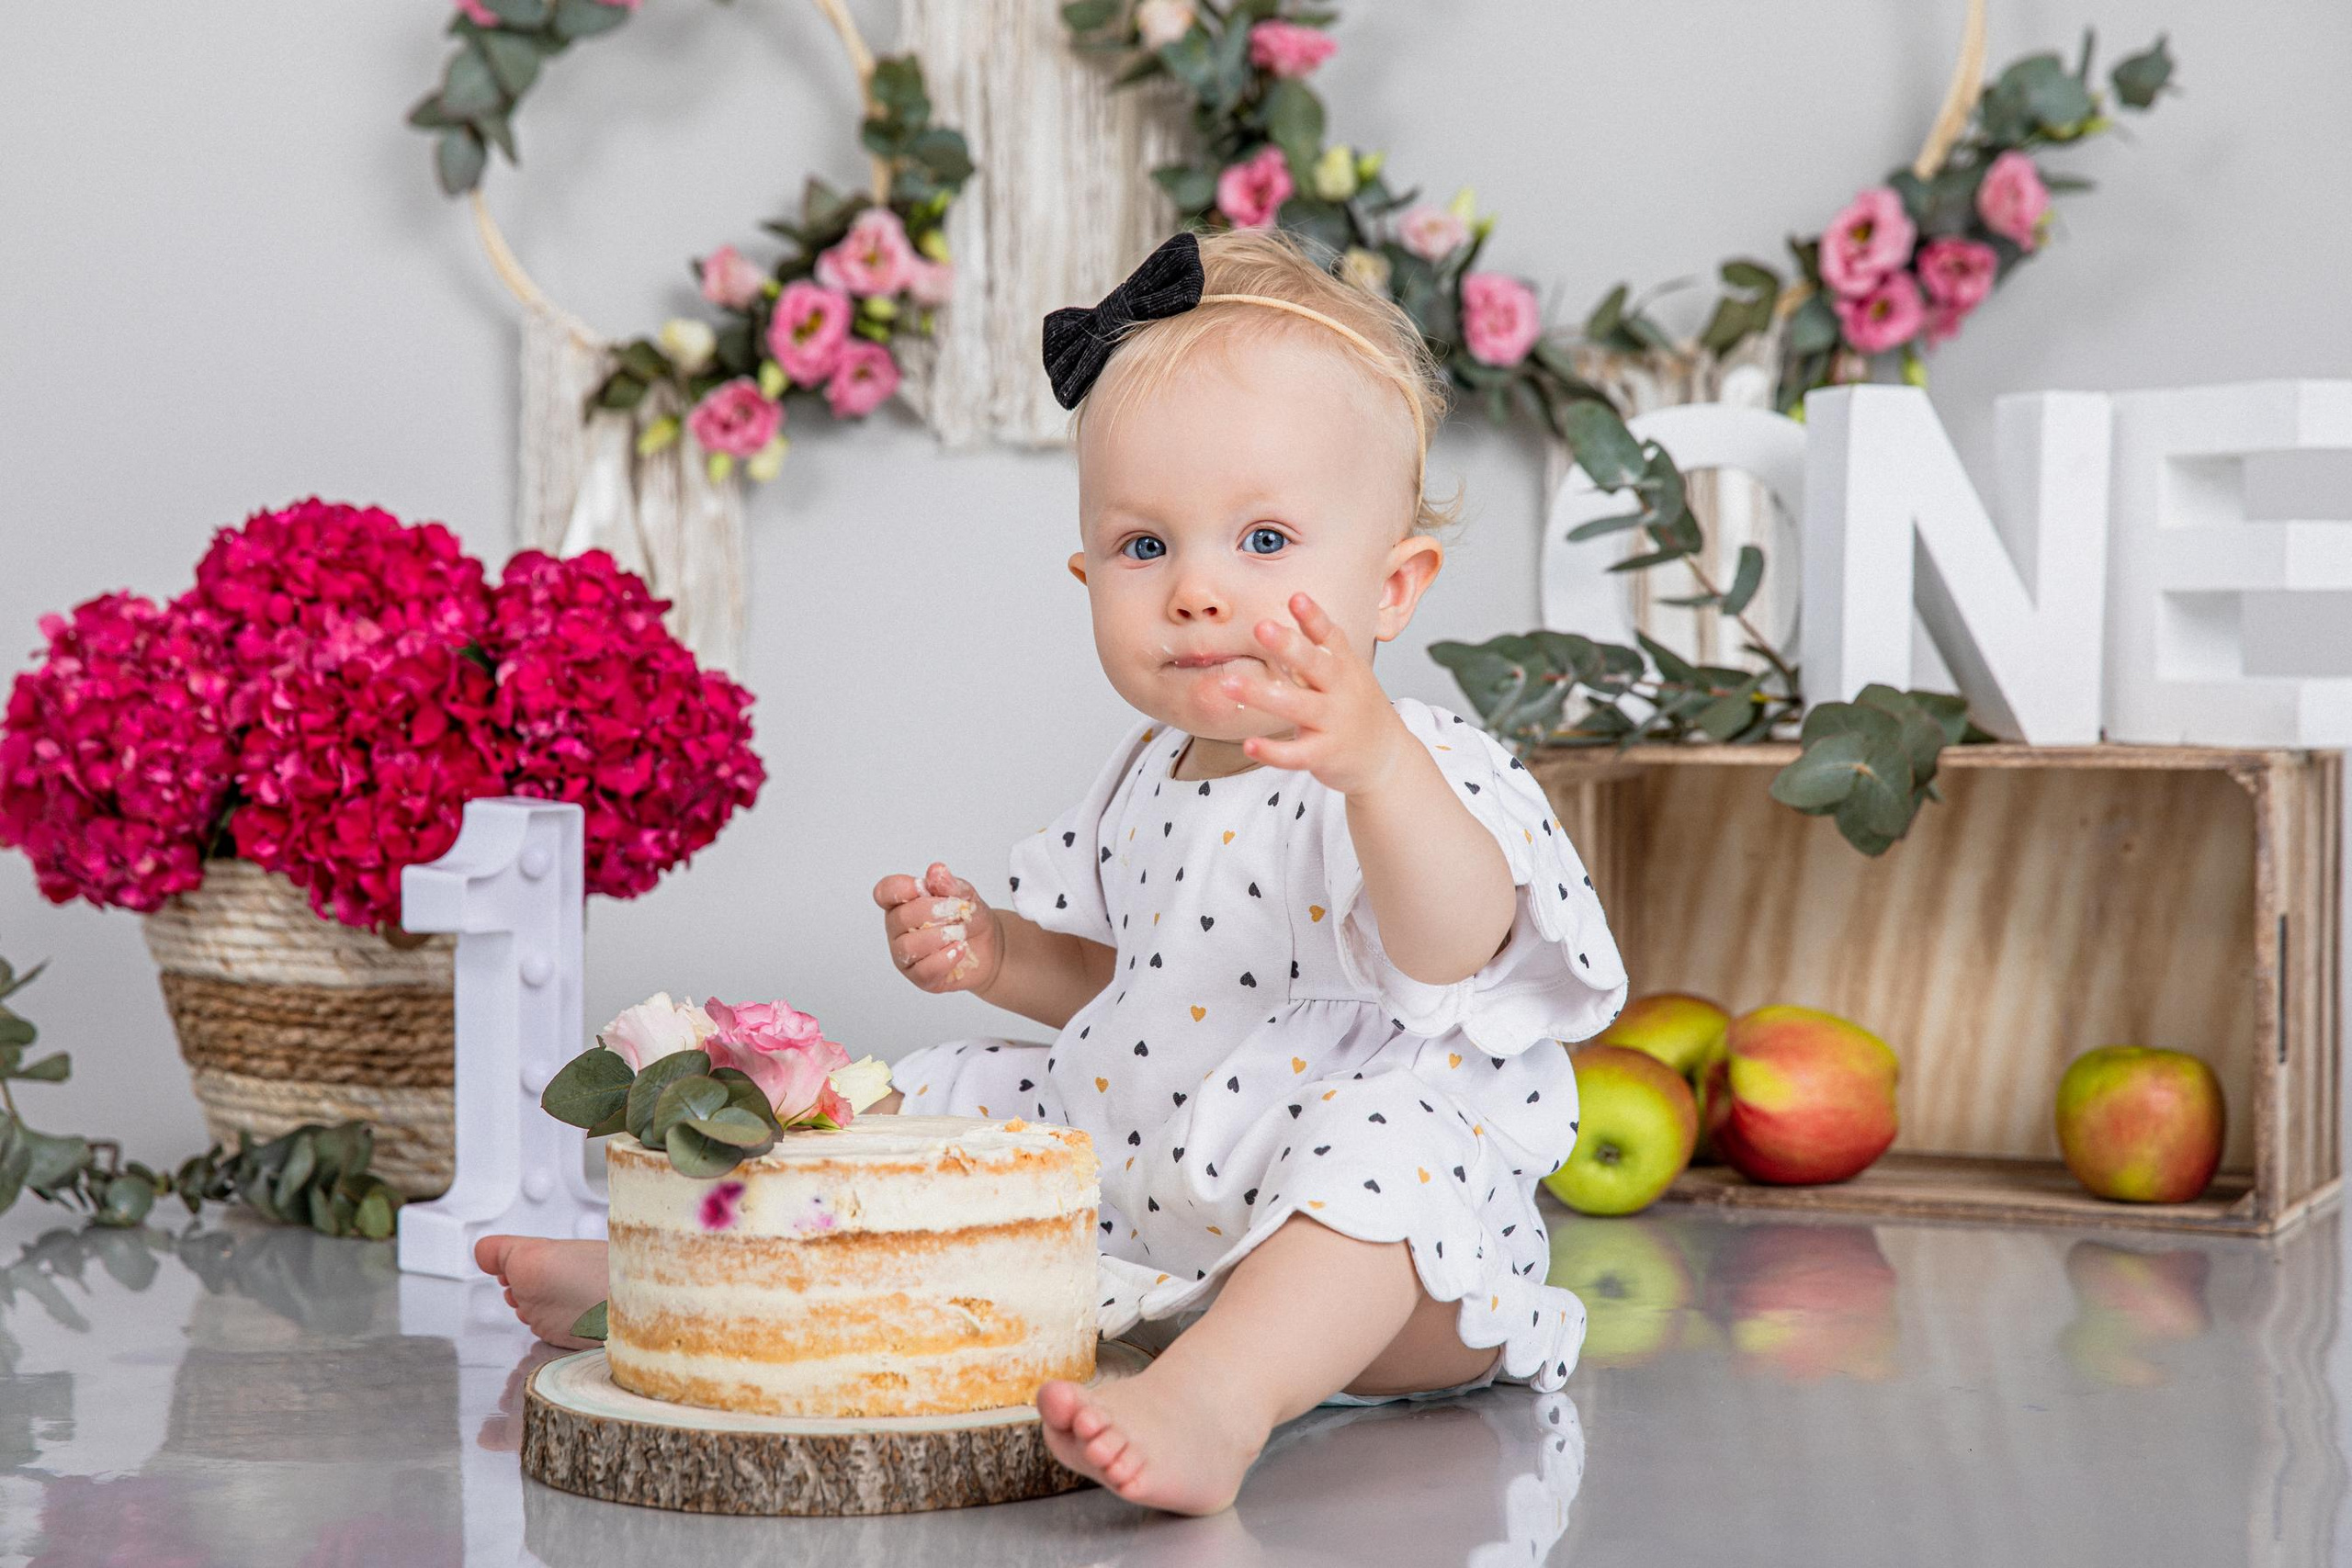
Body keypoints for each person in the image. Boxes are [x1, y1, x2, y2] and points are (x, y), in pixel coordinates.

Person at [480, 225, 1627, 1516]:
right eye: (1147, 548)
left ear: (1393, 586)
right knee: (942, 1100)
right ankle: (672, 1282)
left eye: (1263, 542)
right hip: (1152, 1208)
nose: (1196, 591)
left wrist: (1373, 768)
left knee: (1380, 1142)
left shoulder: (1409, 758)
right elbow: (1132, 991)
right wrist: (999, 957)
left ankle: (1219, 1401)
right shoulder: (1145, 776)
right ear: (1086, 573)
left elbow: (1453, 945)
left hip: (1386, 1279)